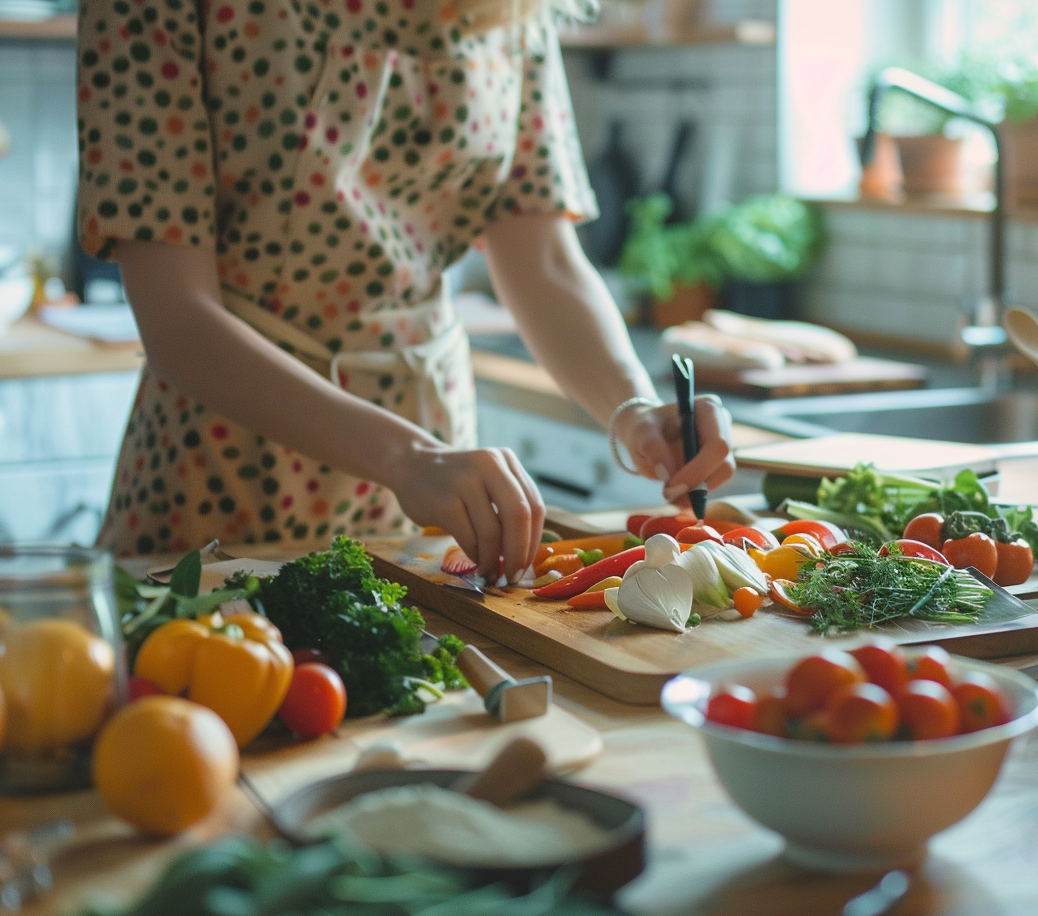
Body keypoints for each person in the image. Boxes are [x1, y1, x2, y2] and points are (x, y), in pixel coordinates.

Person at [75, 0, 735, 582]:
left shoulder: (513, 9)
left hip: (435, 476)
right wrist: (409, 456)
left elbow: (542, 258)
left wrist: (637, 411)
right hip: (228, 464)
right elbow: (178, 322)